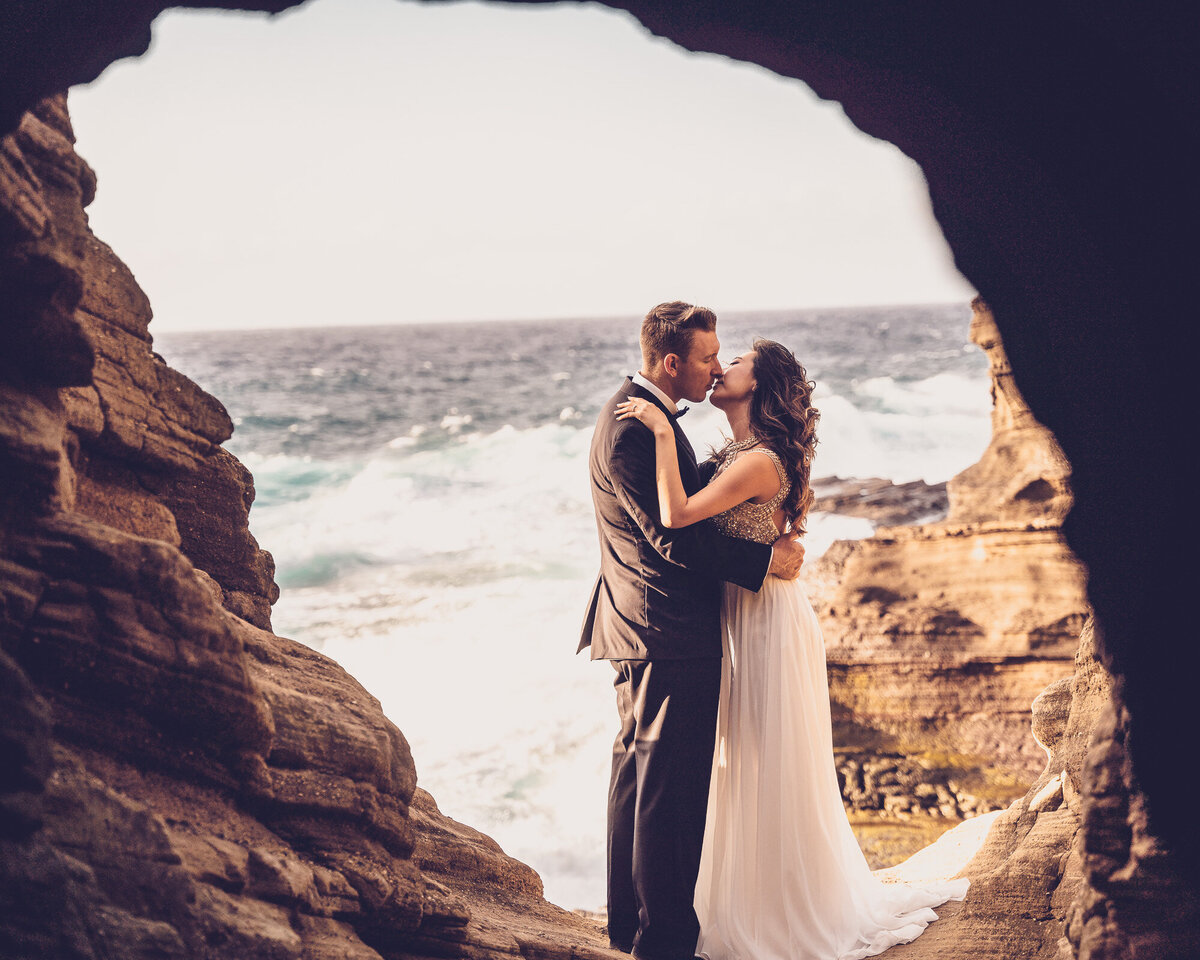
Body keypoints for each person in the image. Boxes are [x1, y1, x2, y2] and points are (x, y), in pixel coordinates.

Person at [615, 337, 969, 960]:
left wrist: (663, 432)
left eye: (737, 363)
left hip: (764, 622)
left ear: (757, 386)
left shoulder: (757, 461)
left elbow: (676, 516)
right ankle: (745, 901)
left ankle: (778, 914)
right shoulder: (741, 452)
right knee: (749, 762)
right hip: (746, 613)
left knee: (765, 763)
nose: (723, 368)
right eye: (717, 358)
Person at [579, 302, 806, 960]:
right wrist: (765, 561)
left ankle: (630, 927)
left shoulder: (641, 414)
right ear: (672, 362)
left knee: (639, 779)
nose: (715, 368)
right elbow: (670, 539)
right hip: (665, 630)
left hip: (641, 625)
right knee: (668, 793)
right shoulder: (632, 426)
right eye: (709, 358)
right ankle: (665, 941)